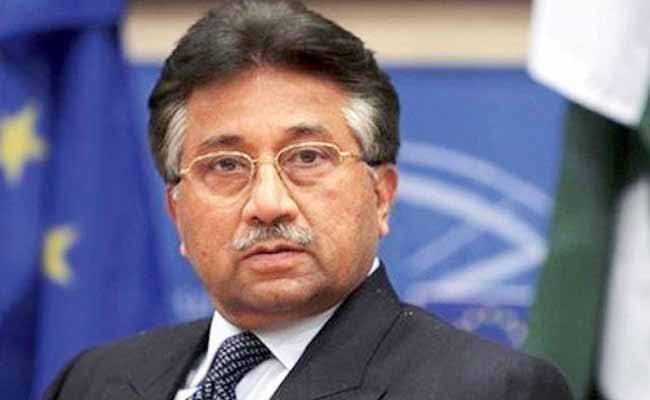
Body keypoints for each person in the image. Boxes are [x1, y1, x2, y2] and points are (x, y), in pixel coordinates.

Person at [44, 1, 573, 399]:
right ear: (177, 212)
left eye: (307, 157)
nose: (268, 203)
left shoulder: (488, 390)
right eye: (225, 165)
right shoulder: (91, 382)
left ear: (381, 195)